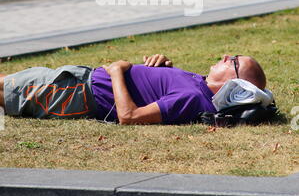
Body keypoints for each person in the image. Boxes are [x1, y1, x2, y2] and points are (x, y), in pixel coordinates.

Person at [0, 53, 268, 125]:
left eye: (232, 60)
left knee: (7, 89)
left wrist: (117, 71)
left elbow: (129, 116)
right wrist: (162, 68)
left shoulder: (194, 98)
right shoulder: (199, 85)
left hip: (76, 93)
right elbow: (158, 90)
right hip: (79, 81)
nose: (224, 56)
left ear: (234, 80)